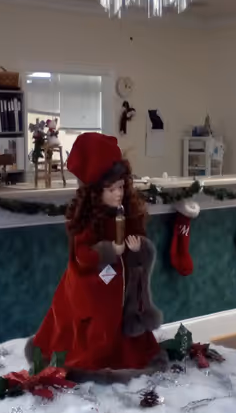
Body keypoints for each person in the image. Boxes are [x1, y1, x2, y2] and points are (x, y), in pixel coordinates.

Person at [26, 133, 165, 383]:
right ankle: (95, 359)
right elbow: (82, 255)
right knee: (95, 324)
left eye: (121, 187)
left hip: (121, 290)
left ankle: (125, 353)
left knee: (121, 323)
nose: (118, 194)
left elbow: (138, 238)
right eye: (110, 189)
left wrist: (138, 248)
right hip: (91, 288)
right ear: (95, 192)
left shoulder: (126, 212)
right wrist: (109, 250)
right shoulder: (88, 221)